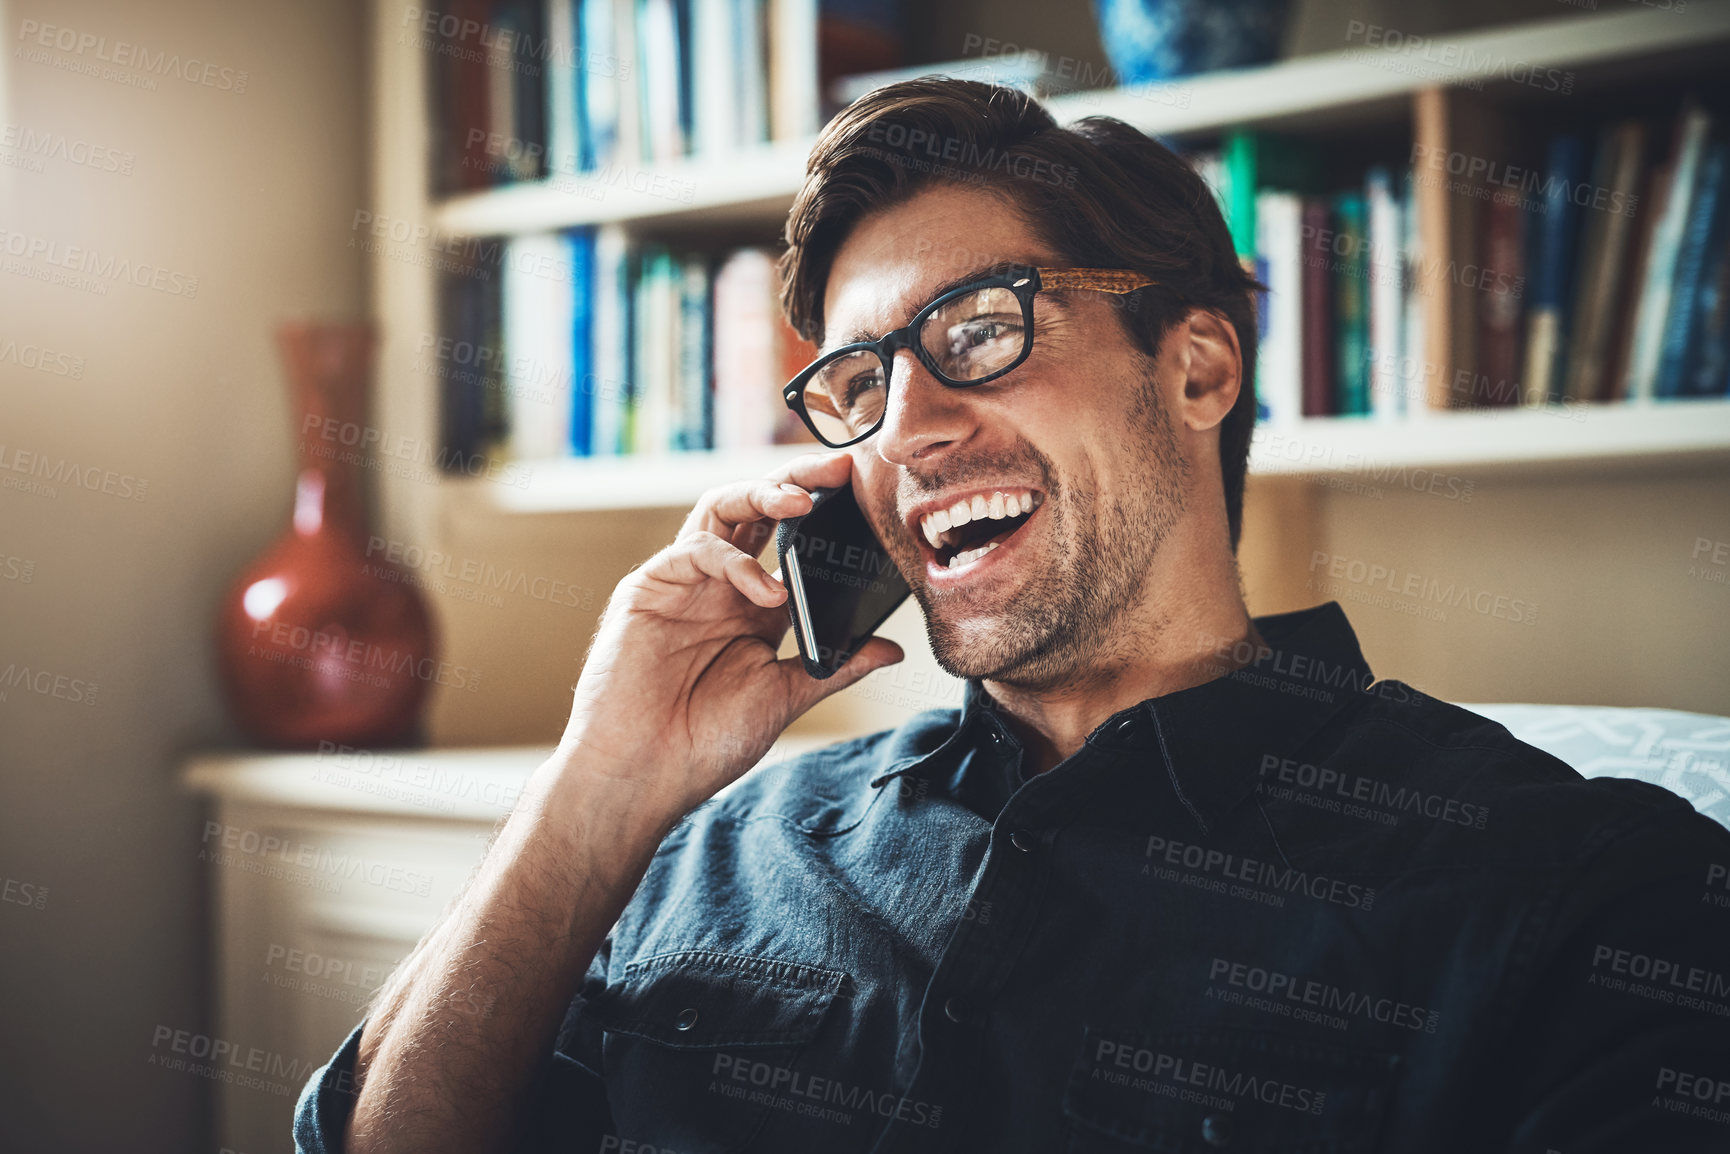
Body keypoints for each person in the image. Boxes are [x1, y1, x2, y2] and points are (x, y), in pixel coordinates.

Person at [295, 78, 1730, 1153]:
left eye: (976, 330)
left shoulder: (1576, 890)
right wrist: (601, 778)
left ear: (1198, 367)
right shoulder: (716, 844)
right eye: (856, 383)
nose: (905, 429)